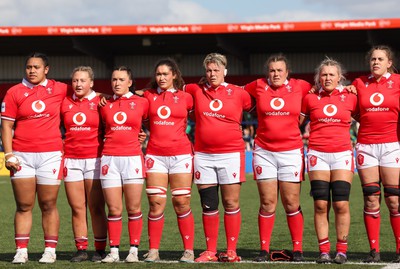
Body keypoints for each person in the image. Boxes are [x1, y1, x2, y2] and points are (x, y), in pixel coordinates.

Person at [184, 53, 253, 262]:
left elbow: (259, 107)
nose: (212, 74)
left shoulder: (239, 93)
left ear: (225, 71)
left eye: (216, 70)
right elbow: (172, 87)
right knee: (208, 204)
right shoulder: (195, 90)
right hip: (204, 155)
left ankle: (231, 250)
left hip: (231, 154)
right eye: (209, 70)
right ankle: (210, 251)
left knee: (231, 202)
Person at [1, 52, 67, 264]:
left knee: (48, 204)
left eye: (36, 67)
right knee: (24, 205)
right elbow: (6, 125)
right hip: (22, 156)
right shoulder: (14, 92)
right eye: (29, 67)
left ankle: (50, 250)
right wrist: (8, 154)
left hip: (51, 155)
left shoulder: (59, 89)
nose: (32, 70)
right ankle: (21, 250)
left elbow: (87, 94)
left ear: (46, 69)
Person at [244, 53, 311, 262]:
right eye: (272, 70)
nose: (275, 74)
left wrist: (349, 88)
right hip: (264, 152)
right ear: (267, 73)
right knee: (267, 202)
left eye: (279, 70)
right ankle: (264, 250)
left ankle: (298, 249)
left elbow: (323, 89)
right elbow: (233, 93)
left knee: (291, 202)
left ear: (287, 72)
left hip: (291, 151)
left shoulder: (300, 86)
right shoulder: (257, 85)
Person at [300, 58, 358, 264]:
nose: (327, 78)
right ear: (318, 77)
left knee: (341, 204)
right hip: (318, 155)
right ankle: (324, 251)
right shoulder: (309, 98)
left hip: (342, 154)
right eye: (324, 74)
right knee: (321, 205)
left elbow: (367, 117)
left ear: (339, 77)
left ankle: (341, 251)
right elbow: (295, 120)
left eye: (332, 74)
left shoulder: (351, 97)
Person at [141, 58, 195, 262]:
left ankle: (188, 250)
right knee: (155, 203)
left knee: (181, 202)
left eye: (165, 74)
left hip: (181, 154)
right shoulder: (147, 97)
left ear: (174, 75)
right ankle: (153, 250)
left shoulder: (187, 98)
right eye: (158, 74)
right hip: (156, 154)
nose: (161, 78)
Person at [352, 45, 400, 263]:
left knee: (394, 200)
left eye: (381, 59)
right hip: (366, 146)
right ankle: (374, 251)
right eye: (373, 59)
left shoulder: (398, 82)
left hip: (392, 145)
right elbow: (351, 110)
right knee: (371, 198)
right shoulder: (359, 83)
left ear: (389, 62)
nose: (376, 62)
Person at [99, 66, 149, 263]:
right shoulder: (103, 104)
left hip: (132, 158)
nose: (117, 83)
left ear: (130, 82)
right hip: (109, 159)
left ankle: (133, 251)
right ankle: (113, 251)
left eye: (121, 79)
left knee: (134, 207)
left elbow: (155, 122)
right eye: (114, 80)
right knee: (114, 209)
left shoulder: (142, 102)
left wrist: (145, 134)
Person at [61, 66, 107, 262]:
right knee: (77, 207)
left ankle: (99, 249)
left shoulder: (101, 101)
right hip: (71, 159)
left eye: (82, 80)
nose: (78, 84)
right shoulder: (64, 102)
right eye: (75, 80)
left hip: (95, 159)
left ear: (92, 83)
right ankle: (81, 249)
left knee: (96, 207)